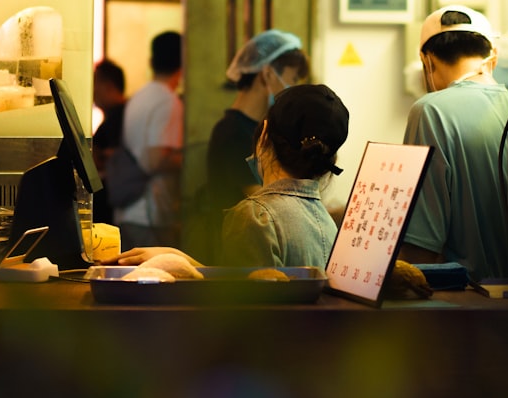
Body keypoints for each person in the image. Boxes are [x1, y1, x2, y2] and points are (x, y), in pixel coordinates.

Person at [108, 83, 349, 270]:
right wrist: (181, 259)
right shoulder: (329, 225)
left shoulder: (256, 217)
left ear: (263, 135)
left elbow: (239, 309)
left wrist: (179, 265)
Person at [398, 4, 508, 282]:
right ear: (494, 57)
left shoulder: (429, 111)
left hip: (466, 302)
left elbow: (420, 250)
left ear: (426, 61)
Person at [200, 29, 309, 260]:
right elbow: (265, 200)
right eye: (291, 79)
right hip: (235, 256)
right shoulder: (233, 133)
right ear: (267, 74)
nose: (292, 88)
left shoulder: (256, 129)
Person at [113, 31, 184, 249]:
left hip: (128, 209)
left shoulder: (139, 96)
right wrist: (187, 159)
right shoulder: (168, 101)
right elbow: (153, 160)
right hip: (150, 213)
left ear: (151, 61)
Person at [91, 58, 127, 226]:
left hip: (113, 203)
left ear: (107, 85)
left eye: (95, 83)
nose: (92, 91)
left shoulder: (119, 116)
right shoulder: (117, 115)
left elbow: (113, 156)